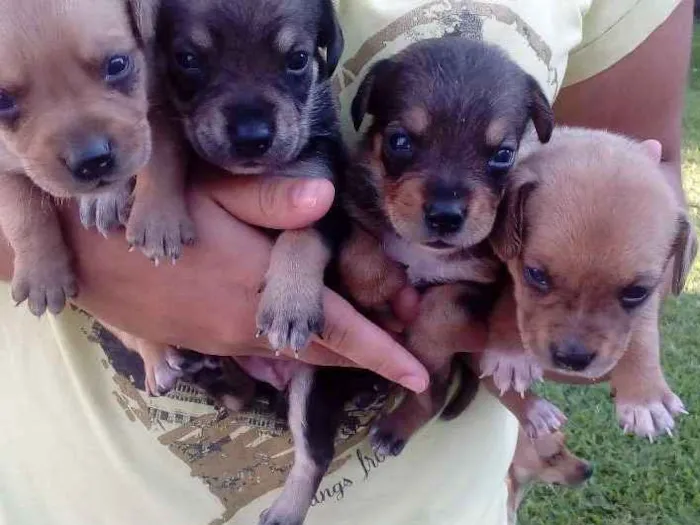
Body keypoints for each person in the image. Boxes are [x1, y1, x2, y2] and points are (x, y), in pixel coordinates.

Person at [0, 0, 692, 524]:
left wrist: (561, 340)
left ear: (323, 53)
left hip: (437, 500)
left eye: (499, 155)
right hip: (79, 488)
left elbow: (634, 202)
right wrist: (84, 259)